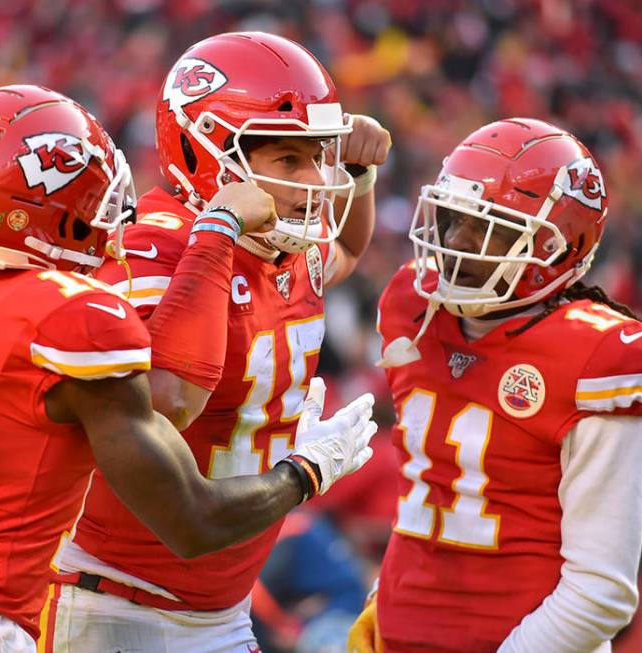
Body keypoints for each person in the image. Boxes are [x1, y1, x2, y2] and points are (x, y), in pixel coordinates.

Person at [0, 84, 378, 653]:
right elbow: (190, 507)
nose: (111, 228)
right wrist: (307, 470)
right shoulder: (73, 317)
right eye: (89, 203)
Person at [42, 32, 391, 653]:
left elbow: (348, 250)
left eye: (320, 157)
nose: (316, 182)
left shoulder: (289, 247)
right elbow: (167, 403)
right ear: (207, 155)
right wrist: (217, 234)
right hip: (118, 605)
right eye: (289, 161)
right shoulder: (149, 253)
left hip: (221, 607)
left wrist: (359, 178)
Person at [347, 118, 642, 652]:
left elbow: (602, 590)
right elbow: (427, 498)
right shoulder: (415, 308)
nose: (456, 242)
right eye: (453, 219)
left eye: (489, 228)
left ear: (557, 246)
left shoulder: (598, 355)